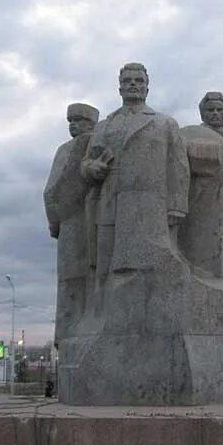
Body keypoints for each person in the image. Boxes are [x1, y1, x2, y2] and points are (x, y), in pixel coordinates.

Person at [81, 63, 189, 287]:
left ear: (147, 88)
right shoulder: (104, 126)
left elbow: (178, 166)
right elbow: (87, 161)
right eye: (127, 81)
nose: (133, 84)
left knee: (151, 265)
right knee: (105, 264)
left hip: (150, 204)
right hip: (111, 203)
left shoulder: (164, 123)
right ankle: (102, 313)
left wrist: (177, 205)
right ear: (119, 89)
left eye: (138, 81)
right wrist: (91, 168)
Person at [43, 102, 100, 347]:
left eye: (79, 120)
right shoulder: (93, 144)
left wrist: (54, 222)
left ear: (91, 123)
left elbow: (52, 192)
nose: (74, 125)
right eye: (71, 121)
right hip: (91, 221)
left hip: (77, 222)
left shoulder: (71, 149)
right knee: (83, 279)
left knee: (75, 281)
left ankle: (72, 332)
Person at [178, 91, 223, 288]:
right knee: (206, 265)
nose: (215, 113)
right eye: (210, 110)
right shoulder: (195, 137)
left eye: (220, 110)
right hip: (201, 206)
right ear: (202, 114)